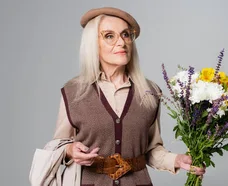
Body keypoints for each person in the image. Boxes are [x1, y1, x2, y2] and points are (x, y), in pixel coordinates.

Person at [52, 7, 205, 185]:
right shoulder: (73, 91)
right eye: (109, 36)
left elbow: (151, 150)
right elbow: (58, 146)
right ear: (93, 44)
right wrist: (70, 150)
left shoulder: (150, 92)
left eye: (125, 35)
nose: (121, 43)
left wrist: (176, 160)